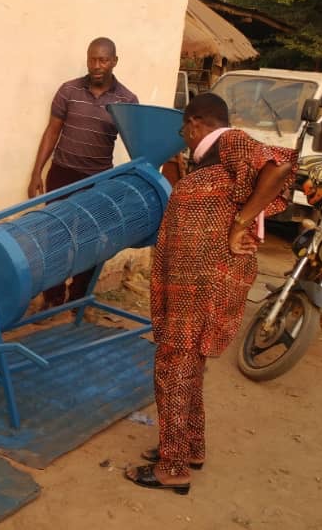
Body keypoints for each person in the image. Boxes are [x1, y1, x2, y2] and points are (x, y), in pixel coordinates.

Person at [127, 92, 297, 494]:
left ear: (195, 122)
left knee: (173, 365)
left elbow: (280, 165)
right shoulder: (209, 160)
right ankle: (190, 449)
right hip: (192, 282)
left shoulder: (228, 141)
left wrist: (241, 221)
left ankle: (173, 468)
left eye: (183, 128)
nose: (182, 136)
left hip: (201, 285)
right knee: (188, 365)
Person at [27, 37, 139, 310]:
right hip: (62, 175)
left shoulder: (126, 100)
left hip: (98, 181)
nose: (96, 65)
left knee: (90, 241)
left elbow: (135, 141)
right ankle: (53, 298)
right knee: (55, 237)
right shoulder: (68, 91)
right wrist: (36, 173)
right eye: (92, 59)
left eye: (103, 60)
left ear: (114, 61)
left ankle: (78, 300)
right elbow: (52, 131)